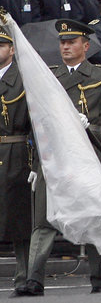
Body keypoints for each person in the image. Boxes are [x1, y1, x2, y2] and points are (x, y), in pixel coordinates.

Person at [17, 19, 101, 297]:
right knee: (44, 220)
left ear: (86, 45)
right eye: (62, 42)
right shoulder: (50, 76)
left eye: (71, 42)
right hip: (54, 155)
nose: (66, 47)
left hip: (87, 154)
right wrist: (36, 163)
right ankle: (34, 280)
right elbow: (37, 123)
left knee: (93, 214)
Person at [0, 28, 31, 291]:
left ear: (12, 49)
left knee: (19, 219)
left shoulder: (24, 78)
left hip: (15, 153)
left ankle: (24, 274)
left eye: (1, 45)